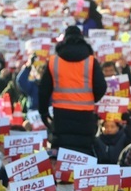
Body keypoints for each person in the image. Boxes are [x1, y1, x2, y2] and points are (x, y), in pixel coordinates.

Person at [38, 26, 106, 156]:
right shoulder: (91, 61)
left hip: (61, 117)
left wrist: (43, 112)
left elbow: (43, 90)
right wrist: (90, 98)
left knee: (62, 155)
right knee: (83, 155)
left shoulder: (54, 61)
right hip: (85, 117)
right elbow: (101, 87)